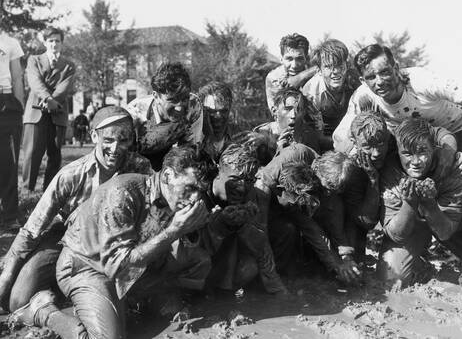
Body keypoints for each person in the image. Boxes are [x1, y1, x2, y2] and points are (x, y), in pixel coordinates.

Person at [11, 146, 211, 338]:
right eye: (190, 188)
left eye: (200, 191)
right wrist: (175, 230)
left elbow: (185, 251)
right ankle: (42, 310)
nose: (195, 198)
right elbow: (118, 265)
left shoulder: (172, 196)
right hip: (87, 266)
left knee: (198, 262)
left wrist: (191, 231)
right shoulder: (123, 192)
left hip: (133, 266)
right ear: (167, 176)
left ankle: (118, 304)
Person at [0, 106, 151, 313]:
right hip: (69, 241)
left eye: (123, 140)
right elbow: (33, 227)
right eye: (108, 140)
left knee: (132, 300)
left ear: (131, 140)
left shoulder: (141, 169)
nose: (115, 148)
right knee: (18, 300)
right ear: (93, 136)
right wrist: (8, 273)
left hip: (119, 242)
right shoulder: (71, 174)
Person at [333, 44, 462, 185]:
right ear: (363, 81)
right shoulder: (363, 96)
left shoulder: (421, 80)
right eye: (371, 77)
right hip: (416, 142)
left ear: (396, 68)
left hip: (460, 129)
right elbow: (339, 137)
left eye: (384, 72)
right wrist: (358, 153)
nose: (380, 81)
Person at [377, 118, 462, 293]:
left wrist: (429, 204)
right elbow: (396, 235)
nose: (416, 161)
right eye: (407, 153)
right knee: (390, 279)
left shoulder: (455, 166)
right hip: (413, 224)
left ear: (434, 148)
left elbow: (446, 231)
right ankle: (421, 265)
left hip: (446, 221)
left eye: (422, 151)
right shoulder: (390, 169)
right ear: (398, 152)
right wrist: (410, 203)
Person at [256, 144, 360, 283]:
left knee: (291, 230)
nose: (328, 193)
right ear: (317, 170)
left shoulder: (329, 187)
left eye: (332, 191)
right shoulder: (296, 155)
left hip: (293, 208)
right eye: (327, 188)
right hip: (266, 204)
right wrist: (260, 231)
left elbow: (322, 226)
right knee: (282, 232)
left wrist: (345, 259)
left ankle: (280, 276)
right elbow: (262, 184)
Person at [202, 144, 287, 294]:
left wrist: (276, 287)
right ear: (219, 173)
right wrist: (218, 224)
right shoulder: (199, 196)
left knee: (284, 231)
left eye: (248, 180)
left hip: (235, 263)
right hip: (202, 262)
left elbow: (262, 244)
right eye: (235, 179)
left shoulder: (255, 194)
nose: (241, 188)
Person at [22, 26, 76, 192]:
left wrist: (53, 101)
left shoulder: (69, 65)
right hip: (35, 111)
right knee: (32, 152)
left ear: (62, 43)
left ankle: (49, 190)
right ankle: (28, 189)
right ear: (45, 42)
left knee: (55, 153)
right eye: (51, 41)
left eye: (57, 41)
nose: (54, 44)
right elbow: (35, 81)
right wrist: (48, 98)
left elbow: (65, 87)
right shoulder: (34, 60)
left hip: (57, 112)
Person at [127, 62, 203, 170]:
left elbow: (190, 153)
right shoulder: (135, 113)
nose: (179, 108)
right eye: (172, 100)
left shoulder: (193, 105)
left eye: (184, 98)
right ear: (156, 96)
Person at [302, 39, 361, 145]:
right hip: (324, 131)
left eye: (339, 65)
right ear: (319, 70)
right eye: (328, 67)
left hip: (351, 128)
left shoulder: (356, 81)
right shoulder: (311, 91)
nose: (336, 72)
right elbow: (316, 135)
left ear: (346, 65)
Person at [0, 27, 24, 229]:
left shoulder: (10, 43)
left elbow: (17, 77)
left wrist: (19, 107)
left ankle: (9, 216)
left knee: (8, 161)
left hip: (6, 101)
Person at [254, 88, 323, 154]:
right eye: (287, 109)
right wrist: (278, 152)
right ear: (274, 111)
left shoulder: (308, 135)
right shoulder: (261, 135)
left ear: (304, 113)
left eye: (299, 110)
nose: (293, 115)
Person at [265, 33, 317, 112]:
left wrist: (302, 76)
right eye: (289, 59)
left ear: (306, 59)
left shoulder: (312, 73)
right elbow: (278, 113)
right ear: (281, 59)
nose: (294, 65)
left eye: (299, 59)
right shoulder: (274, 77)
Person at [198, 81, 235, 172]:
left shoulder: (240, 138)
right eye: (211, 111)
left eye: (223, 111)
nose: (218, 116)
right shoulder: (193, 141)